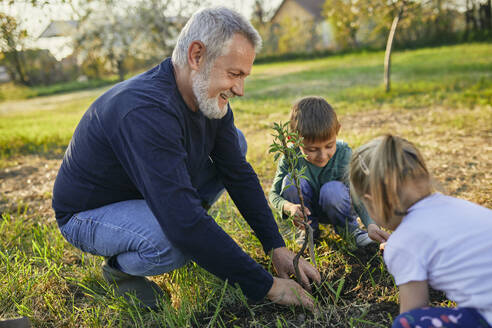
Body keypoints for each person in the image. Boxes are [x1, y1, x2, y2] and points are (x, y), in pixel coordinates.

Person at [52, 7, 320, 310]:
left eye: (244, 76)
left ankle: (193, 231)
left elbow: (237, 172)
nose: (240, 90)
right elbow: (184, 225)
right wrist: (268, 287)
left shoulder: (206, 98)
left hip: (144, 192)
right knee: (175, 241)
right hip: (88, 213)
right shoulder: (146, 112)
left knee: (236, 146)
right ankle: (118, 272)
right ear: (196, 56)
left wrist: (275, 245)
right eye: (234, 74)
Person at [349, 134, 492, 328]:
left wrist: (400, 251)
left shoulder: (402, 244)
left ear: (371, 200)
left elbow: (414, 310)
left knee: (407, 323)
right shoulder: (455, 206)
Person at [269, 96, 389, 246]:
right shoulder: (290, 157)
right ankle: (308, 232)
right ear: (293, 139)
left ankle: (349, 231)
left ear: (337, 130)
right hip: (306, 211)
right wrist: (289, 207)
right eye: (312, 149)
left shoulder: (343, 154)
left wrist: (371, 224)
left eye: (329, 146)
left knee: (331, 191)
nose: (322, 155)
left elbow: (357, 193)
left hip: (338, 205)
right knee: (291, 182)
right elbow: (273, 194)